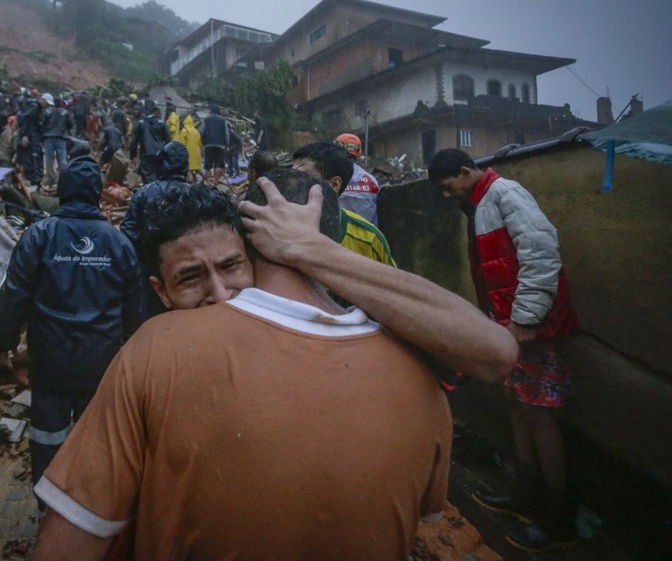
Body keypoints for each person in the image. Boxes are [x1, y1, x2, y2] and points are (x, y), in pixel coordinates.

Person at [31, 171, 516, 560]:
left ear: (256, 250)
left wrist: (310, 250)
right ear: (159, 291)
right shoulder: (419, 375)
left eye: (230, 267)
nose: (220, 297)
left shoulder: (156, 349)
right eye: (191, 279)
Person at [428, 148, 581, 552]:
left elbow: (542, 255)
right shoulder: (480, 204)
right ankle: (525, 491)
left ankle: (559, 515)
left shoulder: (506, 195)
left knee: (539, 414)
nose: (447, 196)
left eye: (449, 187)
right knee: (518, 405)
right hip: (509, 327)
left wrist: (525, 320)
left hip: (532, 328)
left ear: (466, 171)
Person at [0, 156, 141, 512]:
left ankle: (49, 506)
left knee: (47, 435)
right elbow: (134, 308)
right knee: (96, 435)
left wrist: (5, 341)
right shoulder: (116, 242)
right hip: (101, 360)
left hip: (50, 358)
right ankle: (91, 507)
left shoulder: (39, 235)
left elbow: (15, 292)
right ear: (97, 194)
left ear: (61, 191)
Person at [119, 141, 190, 322]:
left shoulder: (144, 193)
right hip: (187, 269)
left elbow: (128, 234)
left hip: (149, 269)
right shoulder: (197, 194)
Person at [293, 141, 396, 266]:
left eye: (302, 177)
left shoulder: (369, 239)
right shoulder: (276, 225)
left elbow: (390, 283)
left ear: (335, 184)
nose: (292, 183)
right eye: (291, 175)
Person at [335, 132, 380, 225]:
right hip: (367, 237)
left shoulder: (331, 178)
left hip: (338, 236)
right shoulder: (371, 181)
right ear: (358, 152)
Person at [129, 106, 170, 184]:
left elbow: (134, 141)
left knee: (147, 176)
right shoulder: (162, 124)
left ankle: (150, 192)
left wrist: (132, 155)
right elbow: (169, 141)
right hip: (160, 153)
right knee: (158, 175)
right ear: (158, 114)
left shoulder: (142, 123)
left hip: (146, 153)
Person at [40, 92, 72, 187]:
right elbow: (70, 124)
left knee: (49, 158)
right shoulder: (65, 112)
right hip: (61, 138)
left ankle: (50, 177)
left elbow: (42, 123)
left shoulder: (47, 111)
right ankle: (63, 178)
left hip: (48, 137)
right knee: (62, 158)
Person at [200, 104, 229, 182]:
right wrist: (226, 144)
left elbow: (201, 131)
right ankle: (216, 183)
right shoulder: (223, 121)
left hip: (208, 145)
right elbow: (226, 134)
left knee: (207, 165)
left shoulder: (205, 119)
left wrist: (203, 142)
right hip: (220, 146)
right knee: (218, 164)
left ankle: (208, 183)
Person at [179, 111, 202, 183]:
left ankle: (191, 184)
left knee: (188, 170)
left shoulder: (184, 130)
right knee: (195, 170)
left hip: (188, 154)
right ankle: (201, 182)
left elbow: (181, 144)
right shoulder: (196, 131)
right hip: (197, 154)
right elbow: (200, 144)